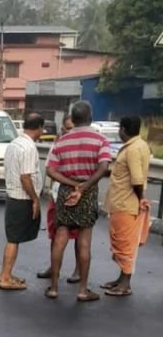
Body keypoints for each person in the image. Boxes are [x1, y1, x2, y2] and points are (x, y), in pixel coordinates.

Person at [44, 100, 113, 302]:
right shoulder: (101, 140)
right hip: (88, 191)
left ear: (72, 119)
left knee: (60, 237)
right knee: (84, 241)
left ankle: (54, 287)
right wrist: (84, 186)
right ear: (90, 117)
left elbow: (50, 169)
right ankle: (83, 290)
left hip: (66, 191)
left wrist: (71, 183)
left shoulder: (61, 141)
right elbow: (103, 167)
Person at [101, 115, 151, 296]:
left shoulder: (133, 149)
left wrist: (141, 198)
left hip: (125, 203)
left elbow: (137, 179)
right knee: (121, 242)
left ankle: (125, 284)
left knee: (125, 244)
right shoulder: (139, 146)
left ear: (122, 129)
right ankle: (121, 279)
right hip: (122, 202)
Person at [0, 113, 45, 290]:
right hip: (21, 198)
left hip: (12, 194)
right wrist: (35, 199)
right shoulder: (28, 148)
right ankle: (6, 278)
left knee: (13, 237)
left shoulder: (14, 144)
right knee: (14, 238)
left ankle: (5, 273)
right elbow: (26, 177)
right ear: (39, 127)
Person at [37, 115, 81, 285]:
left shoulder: (82, 145)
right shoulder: (58, 145)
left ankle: (78, 270)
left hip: (80, 194)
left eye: (71, 128)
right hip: (58, 194)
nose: (68, 131)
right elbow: (50, 169)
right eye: (66, 128)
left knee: (80, 236)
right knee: (55, 234)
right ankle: (53, 268)